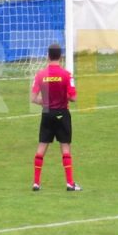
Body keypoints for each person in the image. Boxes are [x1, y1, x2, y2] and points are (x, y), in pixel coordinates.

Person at [31, 43, 81, 192]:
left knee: (41, 147)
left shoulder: (40, 75)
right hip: (62, 114)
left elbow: (33, 98)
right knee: (65, 147)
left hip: (47, 113)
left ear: (48, 56)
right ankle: (70, 183)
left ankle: (36, 183)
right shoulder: (67, 75)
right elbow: (74, 98)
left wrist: (45, 102)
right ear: (60, 56)